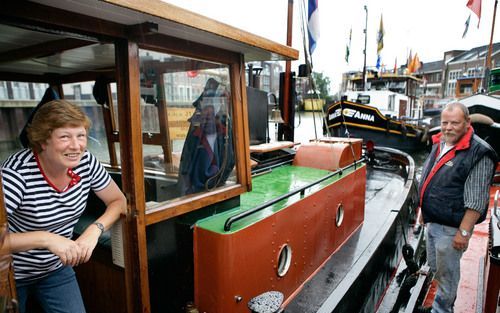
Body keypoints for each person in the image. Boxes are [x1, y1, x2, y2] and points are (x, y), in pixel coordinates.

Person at [1, 99, 126, 313]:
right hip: (11, 273)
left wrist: (93, 232)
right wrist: (46, 239)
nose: (76, 146)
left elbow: (118, 201)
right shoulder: (15, 174)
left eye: (81, 136)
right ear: (43, 141)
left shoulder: (86, 162)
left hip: (55, 268)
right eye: (64, 137)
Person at [419, 102, 497, 313]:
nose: (448, 128)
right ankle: (440, 305)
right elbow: (428, 179)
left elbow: (477, 200)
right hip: (434, 221)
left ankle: (442, 310)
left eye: (454, 123)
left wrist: (463, 232)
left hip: (452, 228)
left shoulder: (479, 153)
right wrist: (422, 211)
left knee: (447, 274)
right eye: (445, 122)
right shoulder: (441, 143)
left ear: (467, 123)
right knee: (437, 268)